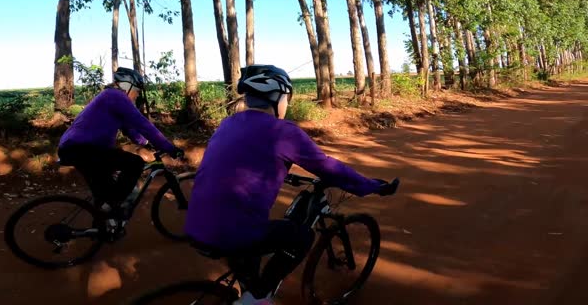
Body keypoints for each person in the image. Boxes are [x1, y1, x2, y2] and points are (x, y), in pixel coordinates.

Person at [185, 65, 397, 305]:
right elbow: (327, 167)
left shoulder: (228, 124)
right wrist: (371, 186)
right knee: (302, 237)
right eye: (287, 97)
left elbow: (242, 160)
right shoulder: (282, 131)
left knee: (250, 251)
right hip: (231, 231)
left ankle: (250, 289)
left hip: (195, 226)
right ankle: (258, 297)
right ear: (278, 98)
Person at [58, 67, 181, 218]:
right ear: (127, 86)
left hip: (77, 148)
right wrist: (169, 147)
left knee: (106, 188)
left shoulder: (110, 97)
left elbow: (129, 128)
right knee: (134, 163)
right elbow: (143, 124)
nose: (137, 95)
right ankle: (116, 205)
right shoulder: (116, 96)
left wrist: (146, 142)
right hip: (84, 149)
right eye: (136, 90)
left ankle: (103, 225)